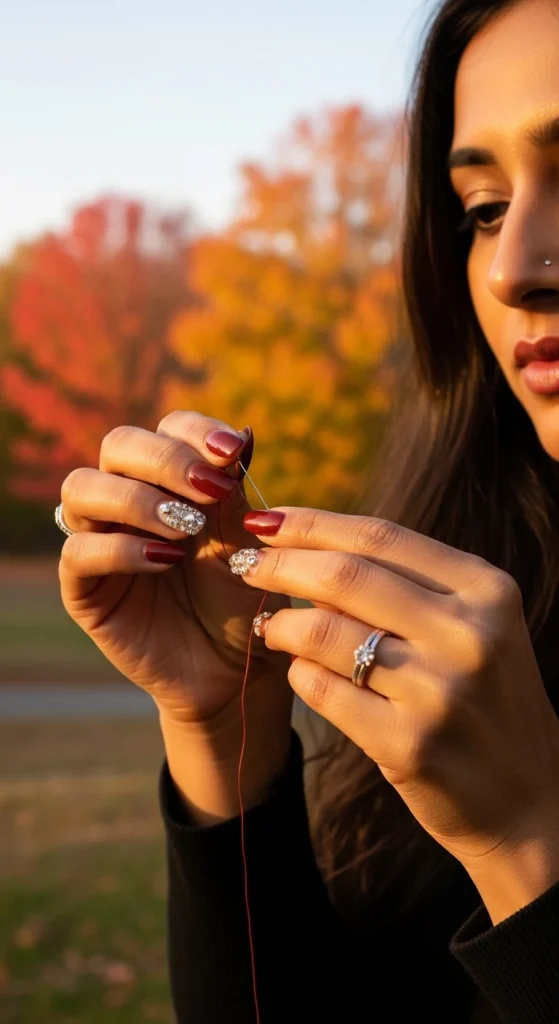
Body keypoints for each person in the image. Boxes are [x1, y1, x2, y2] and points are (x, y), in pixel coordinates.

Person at [54, 0, 559, 1020]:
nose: (513, 268)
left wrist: (526, 849)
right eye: (482, 209)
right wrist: (218, 721)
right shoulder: (488, 594)